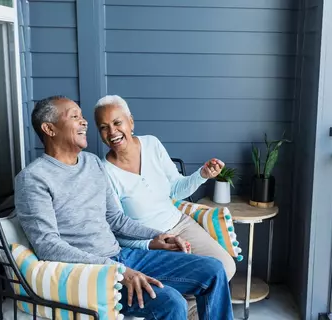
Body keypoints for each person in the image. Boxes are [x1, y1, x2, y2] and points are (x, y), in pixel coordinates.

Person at [15, 95, 233, 320]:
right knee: (172, 302)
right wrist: (116, 271)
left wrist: (159, 235)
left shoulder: (91, 163)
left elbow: (115, 219)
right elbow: (48, 246)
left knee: (214, 270)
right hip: (92, 275)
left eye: (82, 116)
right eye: (74, 117)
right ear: (49, 129)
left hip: (122, 257)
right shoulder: (33, 179)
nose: (84, 122)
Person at [94, 95, 237, 280]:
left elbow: (176, 190)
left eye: (117, 122)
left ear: (131, 122)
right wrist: (151, 243)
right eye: (104, 128)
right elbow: (116, 229)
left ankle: (192, 307)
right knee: (191, 282)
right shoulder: (104, 171)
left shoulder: (152, 144)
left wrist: (202, 175)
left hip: (181, 225)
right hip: (150, 243)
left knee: (226, 267)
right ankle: (189, 307)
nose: (112, 132)